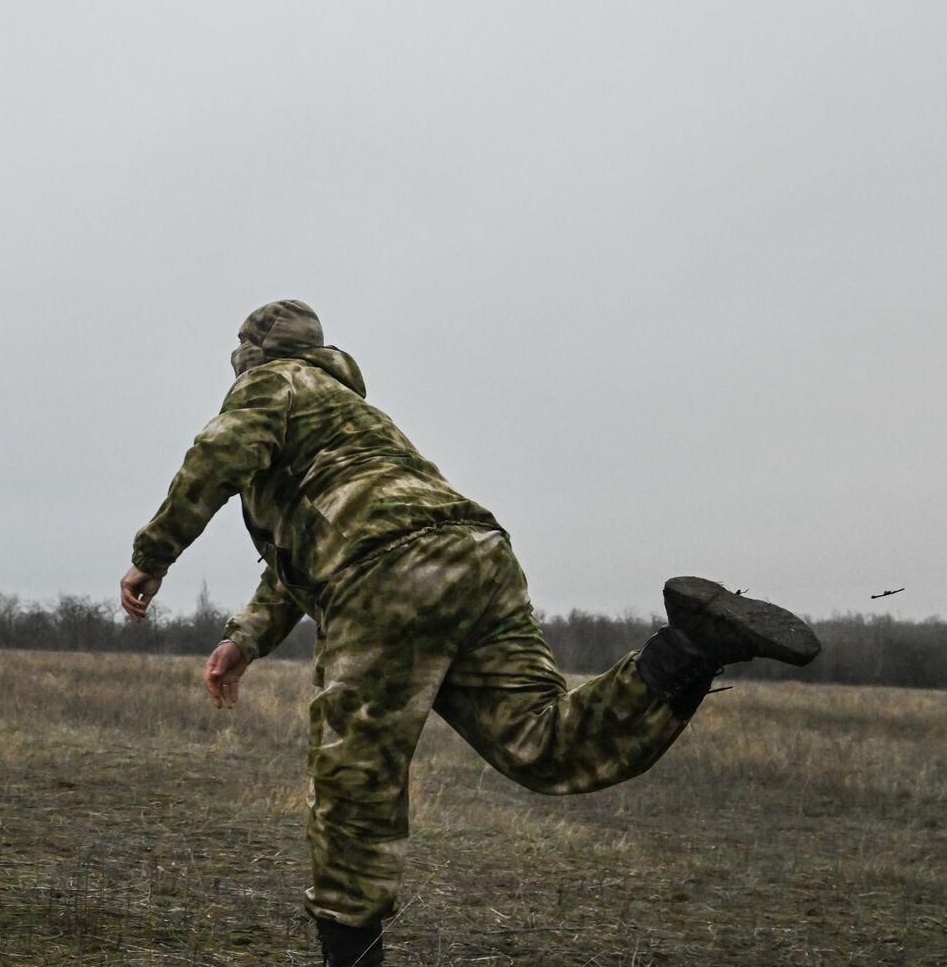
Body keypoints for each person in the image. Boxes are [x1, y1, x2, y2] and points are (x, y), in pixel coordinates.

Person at [119, 300, 820, 967]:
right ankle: (691, 647)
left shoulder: (271, 383)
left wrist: (152, 556)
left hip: (384, 574)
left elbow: (218, 453)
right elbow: (308, 550)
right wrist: (245, 639)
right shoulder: (356, 417)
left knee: (353, 784)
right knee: (542, 742)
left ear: (250, 357)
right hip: (474, 553)